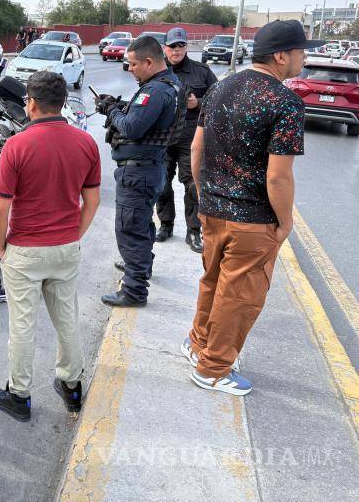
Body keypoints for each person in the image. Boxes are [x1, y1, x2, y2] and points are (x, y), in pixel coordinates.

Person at [184, 20, 315, 395]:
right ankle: (213, 369)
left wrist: (204, 192)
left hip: (212, 210)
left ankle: (199, 346)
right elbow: (278, 177)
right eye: (301, 51)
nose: (303, 57)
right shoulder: (285, 102)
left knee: (212, 281)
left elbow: (197, 149)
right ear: (280, 56)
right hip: (253, 219)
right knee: (239, 296)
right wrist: (285, 222)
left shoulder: (220, 88)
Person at [0, 71, 102, 422]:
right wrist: (75, 234)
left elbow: (0, 208)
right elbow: (92, 200)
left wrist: (1, 248)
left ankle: (19, 395)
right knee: (66, 317)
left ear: (32, 103)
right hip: (65, 247)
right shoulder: (86, 143)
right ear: (63, 103)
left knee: (22, 325)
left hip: (25, 248)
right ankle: (71, 386)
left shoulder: (16, 145)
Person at [95, 35, 184, 307]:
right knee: (142, 225)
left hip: (139, 172)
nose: (130, 69)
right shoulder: (167, 85)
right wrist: (121, 108)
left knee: (130, 229)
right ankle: (141, 267)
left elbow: (132, 128)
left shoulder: (156, 90)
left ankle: (134, 290)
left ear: (149, 61)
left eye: (133, 64)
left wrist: (111, 111)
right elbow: (144, 120)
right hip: (148, 168)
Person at [155, 27, 218, 253]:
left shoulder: (202, 72)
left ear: (186, 46)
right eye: (173, 46)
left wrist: (198, 103)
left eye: (181, 45)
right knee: (161, 183)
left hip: (189, 139)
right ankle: (165, 224)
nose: (177, 50)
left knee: (192, 185)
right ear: (165, 48)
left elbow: (220, 101)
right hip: (161, 138)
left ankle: (193, 231)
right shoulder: (156, 70)